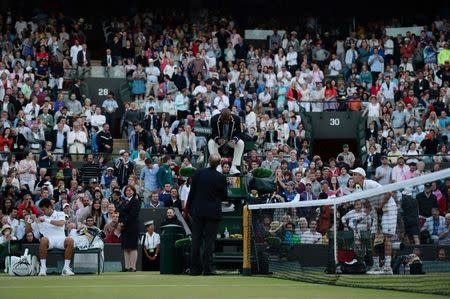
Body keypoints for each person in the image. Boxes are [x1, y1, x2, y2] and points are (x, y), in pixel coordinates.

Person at [185, 154, 227, 275]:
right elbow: (225, 196)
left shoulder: (197, 173)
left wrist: (188, 209)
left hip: (198, 211)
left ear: (208, 161)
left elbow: (191, 193)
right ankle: (207, 269)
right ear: (219, 163)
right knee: (209, 241)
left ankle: (194, 269)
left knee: (196, 240)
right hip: (213, 212)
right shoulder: (221, 177)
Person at [350, 167, 396, 275]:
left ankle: (388, 267)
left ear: (362, 176)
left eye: (355, 174)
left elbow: (389, 193)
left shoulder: (370, 184)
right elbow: (368, 206)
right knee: (373, 237)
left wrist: (380, 206)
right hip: (378, 211)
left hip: (388, 208)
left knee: (386, 236)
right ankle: (376, 266)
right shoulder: (359, 190)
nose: (353, 176)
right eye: (352, 174)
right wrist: (362, 217)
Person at [35, 198, 75, 276]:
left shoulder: (60, 214)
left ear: (50, 207)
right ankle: (43, 268)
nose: (43, 212)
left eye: (44, 209)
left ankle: (66, 269)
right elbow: (36, 234)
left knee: (70, 240)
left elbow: (61, 223)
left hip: (61, 239)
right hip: (49, 240)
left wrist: (46, 220)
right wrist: (33, 222)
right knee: (43, 240)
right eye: (42, 210)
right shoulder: (41, 218)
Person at [208, 108, 244, 174]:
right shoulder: (214, 119)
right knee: (211, 143)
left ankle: (234, 166)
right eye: (224, 119)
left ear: (230, 115)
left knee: (241, 143)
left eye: (227, 119)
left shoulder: (237, 119)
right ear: (220, 116)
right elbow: (212, 133)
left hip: (230, 141)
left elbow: (239, 132)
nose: (226, 121)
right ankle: (218, 165)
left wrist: (235, 139)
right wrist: (217, 139)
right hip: (220, 142)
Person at [118, 185, 141, 272]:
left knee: (133, 247)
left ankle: (133, 267)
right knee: (125, 247)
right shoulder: (123, 202)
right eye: (127, 190)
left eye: (130, 190)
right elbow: (120, 213)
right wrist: (120, 221)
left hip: (132, 227)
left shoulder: (135, 201)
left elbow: (133, 215)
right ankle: (127, 267)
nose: (128, 192)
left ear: (133, 191)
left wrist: (124, 222)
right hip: (124, 228)